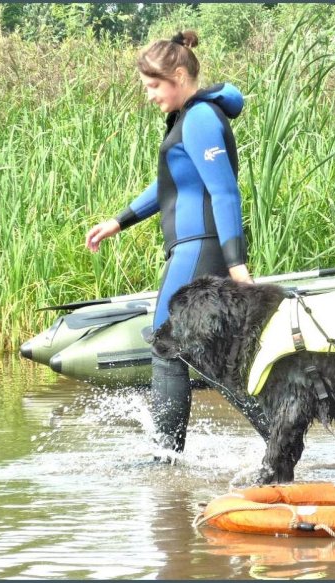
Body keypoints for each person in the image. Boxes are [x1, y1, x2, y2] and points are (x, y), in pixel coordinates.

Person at [85, 30, 269, 452]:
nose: (149, 96)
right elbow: (172, 183)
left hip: (200, 248)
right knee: (208, 357)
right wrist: (119, 221)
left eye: (153, 86)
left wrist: (236, 264)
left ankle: (166, 457)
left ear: (180, 76)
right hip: (195, 247)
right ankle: (280, 436)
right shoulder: (188, 119)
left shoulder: (201, 117)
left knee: (166, 346)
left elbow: (224, 192)